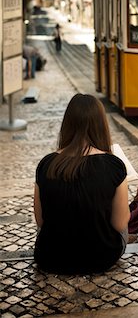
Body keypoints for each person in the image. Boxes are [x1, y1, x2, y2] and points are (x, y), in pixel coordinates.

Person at [34, 93, 130, 274]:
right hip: (101, 257)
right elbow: (119, 224)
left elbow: (40, 220)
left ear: (67, 124)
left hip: (51, 257)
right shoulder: (114, 165)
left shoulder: (46, 163)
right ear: (101, 124)